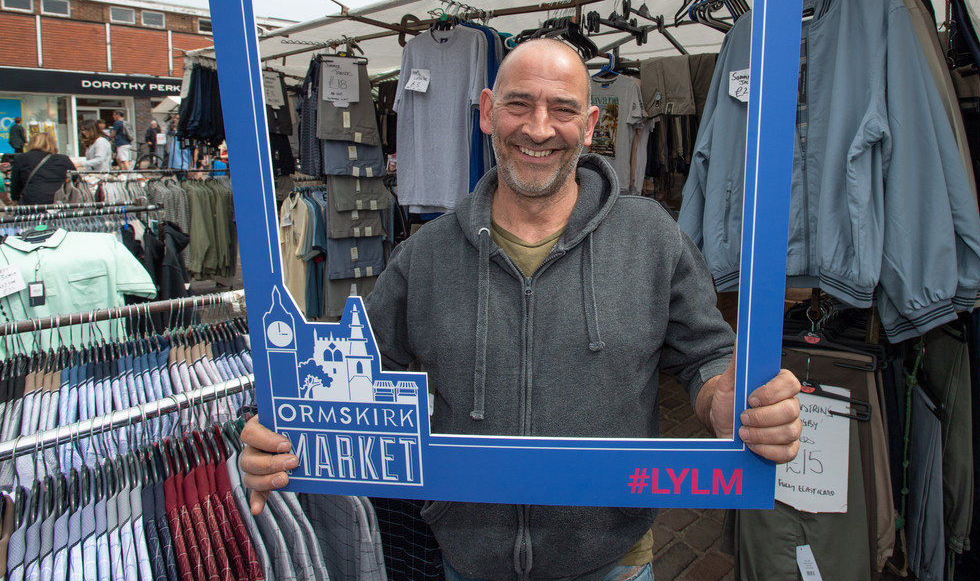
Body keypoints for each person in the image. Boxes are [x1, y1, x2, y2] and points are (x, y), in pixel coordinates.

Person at [241, 39, 802, 581]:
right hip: (468, 560)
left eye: (562, 110)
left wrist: (724, 400)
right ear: (487, 112)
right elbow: (352, 371)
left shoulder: (651, 238)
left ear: (589, 125)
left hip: (614, 559)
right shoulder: (425, 256)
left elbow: (705, 354)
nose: (538, 128)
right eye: (519, 104)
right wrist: (283, 433)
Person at [10, 132, 76, 205]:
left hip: (32, 202)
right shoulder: (64, 159)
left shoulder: (22, 158)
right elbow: (75, 179)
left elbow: (15, 185)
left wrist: (15, 200)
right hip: (59, 201)